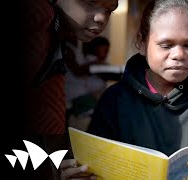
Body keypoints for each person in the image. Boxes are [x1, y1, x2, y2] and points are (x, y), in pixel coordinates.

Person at [60, 0, 188, 179]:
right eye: (166, 45)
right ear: (141, 43)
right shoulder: (115, 100)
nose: (179, 54)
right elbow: (95, 165)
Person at [20, 0, 118, 179]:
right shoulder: (40, 14)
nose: (101, 17)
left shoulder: (56, 34)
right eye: (90, 2)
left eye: (109, 10)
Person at [65, 36, 110, 131]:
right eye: (104, 50)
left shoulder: (78, 51)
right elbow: (78, 71)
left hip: (84, 95)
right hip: (76, 97)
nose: (106, 53)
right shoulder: (67, 49)